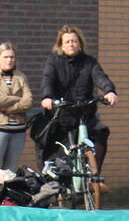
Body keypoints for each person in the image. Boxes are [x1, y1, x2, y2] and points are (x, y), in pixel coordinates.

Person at [38, 24, 117, 176]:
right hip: (63, 114)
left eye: (74, 41)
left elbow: (100, 77)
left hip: (85, 113)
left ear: (80, 43)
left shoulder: (89, 62)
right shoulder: (54, 62)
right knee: (59, 149)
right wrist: (47, 97)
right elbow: (47, 80)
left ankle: (94, 176)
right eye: (67, 42)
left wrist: (109, 91)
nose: (71, 44)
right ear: (61, 45)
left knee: (101, 134)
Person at [0, 42, 32, 178]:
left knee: (10, 173)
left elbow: (28, 102)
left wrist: (8, 107)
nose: (9, 60)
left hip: (18, 131)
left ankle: (6, 200)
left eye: (12, 57)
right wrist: (16, 98)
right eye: (5, 57)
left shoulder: (21, 77)